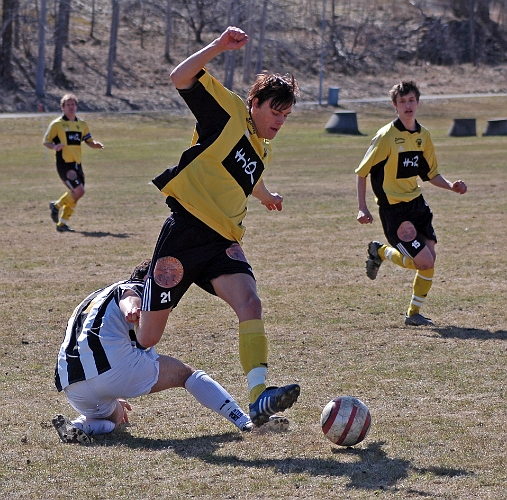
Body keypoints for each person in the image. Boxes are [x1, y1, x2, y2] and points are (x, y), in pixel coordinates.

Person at [135, 26, 300, 427]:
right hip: (187, 232)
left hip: (223, 240)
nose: (279, 121)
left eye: (285, 115)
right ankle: (115, 317)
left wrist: (266, 195)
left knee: (251, 303)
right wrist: (219, 47)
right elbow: (180, 77)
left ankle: (259, 396)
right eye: (274, 112)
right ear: (255, 103)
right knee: (147, 338)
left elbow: (246, 177)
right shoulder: (227, 110)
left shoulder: (261, 145)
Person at [53, 259, 273, 444]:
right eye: (162, 280)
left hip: (73, 384)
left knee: (115, 417)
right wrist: (133, 309)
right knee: (185, 373)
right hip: (115, 372)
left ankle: (79, 425)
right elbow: (130, 297)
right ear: (149, 279)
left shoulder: (96, 296)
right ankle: (244, 421)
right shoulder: (136, 288)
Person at [355, 80, 467, 326]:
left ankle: (413, 314)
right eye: (402, 101)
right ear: (395, 105)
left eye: (411, 100)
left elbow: (430, 175)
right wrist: (362, 207)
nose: (408, 105)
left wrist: (451, 186)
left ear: (417, 102)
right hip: (394, 211)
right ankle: (381, 251)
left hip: (418, 205)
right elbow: (362, 172)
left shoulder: (423, 136)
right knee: (423, 261)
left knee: (429, 261)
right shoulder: (386, 136)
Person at [43, 93, 104, 232]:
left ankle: (62, 224)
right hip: (64, 164)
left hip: (77, 164)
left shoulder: (81, 124)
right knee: (79, 191)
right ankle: (57, 206)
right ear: (63, 107)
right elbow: (46, 141)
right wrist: (54, 147)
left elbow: (89, 141)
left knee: (75, 195)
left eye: (73, 104)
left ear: (76, 106)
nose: (71, 107)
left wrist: (96, 145)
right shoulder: (57, 124)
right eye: (67, 105)